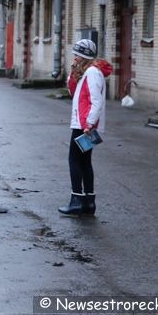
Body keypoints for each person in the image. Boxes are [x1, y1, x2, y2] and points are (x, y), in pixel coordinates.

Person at [59, 39, 112, 216]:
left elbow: (95, 101)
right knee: (84, 161)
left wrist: (89, 124)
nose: (74, 57)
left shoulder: (91, 73)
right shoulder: (87, 72)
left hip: (84, 125)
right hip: (85, 124)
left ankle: (76, 201)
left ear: (83, 56)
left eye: (76, 55)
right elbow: (72, 91)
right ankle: (88, 202)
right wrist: (73, 71)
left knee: (74, 160)